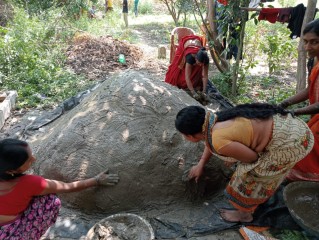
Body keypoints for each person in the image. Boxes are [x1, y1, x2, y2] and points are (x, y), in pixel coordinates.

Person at [175, 103, 314, 223]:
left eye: (183, 135)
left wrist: (234, 157)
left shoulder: (218, 140)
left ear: (191, 136)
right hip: (293, 128)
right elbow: (210, 141)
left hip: (291, 143)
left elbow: (252, 158)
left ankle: (244, 215)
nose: (183, 137)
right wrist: (201, 164)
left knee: (249, 177)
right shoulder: (214, 120)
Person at [0, 138, 119, 239]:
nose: (34, 159)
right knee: (49, 199)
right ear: (11, 170)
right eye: (29, 159)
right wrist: (96, 180)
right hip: (10, 233)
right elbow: (67, 187)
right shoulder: (30, 183)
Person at [280, 19, 319, 182]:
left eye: (314, 42)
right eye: (305, 42)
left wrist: (294, 112)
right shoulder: (316, 61)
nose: (307, 47)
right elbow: (308, 89)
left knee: (305, 150)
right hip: (316, 120)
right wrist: (286, 102)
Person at [165, 35, 209, 100]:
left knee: (198, 71)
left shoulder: (206, 59)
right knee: (179, 69)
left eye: (202, 64)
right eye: (199, 63)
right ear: (196, 59)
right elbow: (187, 77)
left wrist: (204, 92)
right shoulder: (190, 57)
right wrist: (193, 93)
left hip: (196, 43)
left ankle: (196, 85)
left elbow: (205, 76)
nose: (200, 65)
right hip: (185, 45)